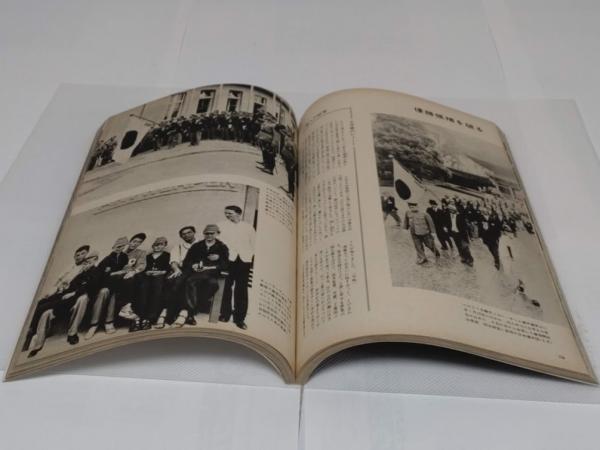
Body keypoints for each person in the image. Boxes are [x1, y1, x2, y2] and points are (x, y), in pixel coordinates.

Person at [28, 249, 98, 357]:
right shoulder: (81, 274)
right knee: (44, 309)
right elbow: (71, 286)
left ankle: (71, 333)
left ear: (95, 260)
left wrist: (74, 293)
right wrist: (65, 291)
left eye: (89, 262)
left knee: (55, 306)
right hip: (69, 298)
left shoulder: (96, 271)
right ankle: (38, 344)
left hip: (80, 298)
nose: (86, 264)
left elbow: (90, 287)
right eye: (85, 262)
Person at [173, 225, 229, 327]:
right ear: (203, 234)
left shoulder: (222, 247)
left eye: (212, 233)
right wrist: (193, 265)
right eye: (207, 233)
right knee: (189, 281)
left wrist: (218, 259)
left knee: (212, 284)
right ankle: (189, 313)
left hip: (212, 273)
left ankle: (192, 308)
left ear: (217, 234)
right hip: (196, 273)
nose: (209, 236)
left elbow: (225, 265)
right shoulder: (197, 246)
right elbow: (187, 261)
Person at [218, 205, 256, 330]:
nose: (227, 215)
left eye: (230, 213)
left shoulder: (248, 227)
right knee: (226, 287)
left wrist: (250, 256)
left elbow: (254, 244)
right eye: (226, 213)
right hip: (228, 260)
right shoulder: (221, 226)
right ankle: (225, 314)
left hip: (244, 260)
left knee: (241, 289)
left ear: (238, 213)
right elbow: (218, 243)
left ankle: (240, 319)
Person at [163, 225, 198, 326]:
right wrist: (176, 269)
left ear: (194, 232)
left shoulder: (202, 244)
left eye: (189, 232)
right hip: (182, 270)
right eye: (183, 234)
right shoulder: (178, 246)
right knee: (171, 280)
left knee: (188, 282)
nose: (186, 235)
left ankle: (188, 313)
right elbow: (173, 261)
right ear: (181, 237)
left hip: (198, 271)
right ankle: (172, 312)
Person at [136, 237, 171, 330]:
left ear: (164, 246)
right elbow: (143, 268)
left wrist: (160, 272)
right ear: (153, 246)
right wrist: (147, 272)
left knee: (157, 289)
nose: (158, 247)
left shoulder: (167, 255)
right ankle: (140, 317)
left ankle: (150, 318)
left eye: (161, 245)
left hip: (160, 277)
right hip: (148, 276)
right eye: (156, 245)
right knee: (143, 288)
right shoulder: (148, 256)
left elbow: (168, 269)